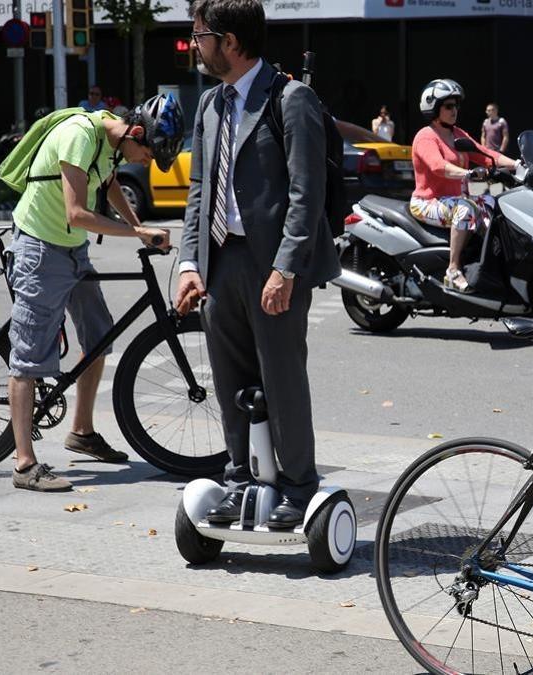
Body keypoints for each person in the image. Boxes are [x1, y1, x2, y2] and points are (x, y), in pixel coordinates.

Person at [176, 0, 340, 530]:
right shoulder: (209, 106)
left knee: (281, 377)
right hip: (221, 261)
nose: (192, 44)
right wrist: (188, 263)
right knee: (229, 380)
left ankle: (297, 485)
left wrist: (286, 268)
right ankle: (241, 480)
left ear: (230, 41)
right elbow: (200, 191)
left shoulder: (291, 99)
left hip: (272, 264)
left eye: (199, 35)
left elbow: (305, 193)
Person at [8, 95, 179, 491]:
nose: (146, 162)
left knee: (100, 337)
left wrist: (138, 224)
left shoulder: (109, 142)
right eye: (148, 154)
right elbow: (77, 213)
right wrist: (138, 232)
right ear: (135, 133)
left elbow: (109, 182)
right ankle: (24, 464)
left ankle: (81, 432)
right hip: (40, 248)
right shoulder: (79, 136)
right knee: (30, 357)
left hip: (73, 249)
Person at [409, 80, 516, 292]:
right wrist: (467, 173)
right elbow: (439, 167)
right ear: (433, 107)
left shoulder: (458, 134)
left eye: (456, 106)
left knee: (496, 196)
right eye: (448, 106)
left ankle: (491, 261)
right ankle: (453, 269)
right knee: (466, 208)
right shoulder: (425, 136)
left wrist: (517, 165)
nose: (454, 110)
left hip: (455, 197)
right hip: (427, 201)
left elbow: (485, 155)